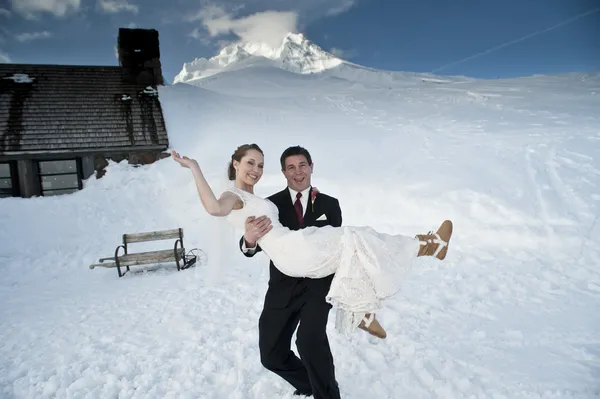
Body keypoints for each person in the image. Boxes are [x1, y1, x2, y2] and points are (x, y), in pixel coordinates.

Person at [171, 143, 453, 385]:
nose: (255, 169)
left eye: (260, 164)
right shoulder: (236, 196)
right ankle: (424, 250)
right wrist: (196, 169)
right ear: (236, 164)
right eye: (249, 163)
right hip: (292, 259)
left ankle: (366, 308)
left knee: (356, 242)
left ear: (311, 167)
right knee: (357, 238)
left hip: (310, 269)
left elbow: (342, 258)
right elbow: (215, 209)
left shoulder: (317, 202)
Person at [240, 145, 343, 399]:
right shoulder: (269, 205)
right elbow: (254, 246)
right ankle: (309, 383)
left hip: (318, 287)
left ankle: (327, 394)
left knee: (310, 341)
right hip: (282, 287)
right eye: (291, 167)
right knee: (271, 354)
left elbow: (335, 247)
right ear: (284, 172)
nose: (298, 172)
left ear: (311, 166)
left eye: (302, 165)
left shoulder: (330, 205)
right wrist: (250, 240)